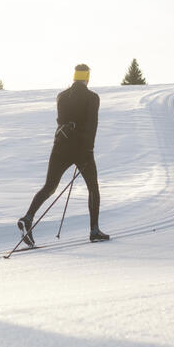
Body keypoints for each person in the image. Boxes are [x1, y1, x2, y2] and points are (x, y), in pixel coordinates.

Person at [17, 63, 110, 246]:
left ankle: (28, 218)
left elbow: (61, 120)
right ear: (87, 78)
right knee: (93, 188)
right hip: (82, 149)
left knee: (50, 186)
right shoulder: (92, 98)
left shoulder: (61, 96)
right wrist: (88, 150)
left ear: (74, 77)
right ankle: (94, 230)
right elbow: (92, 125)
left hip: (60, 146)